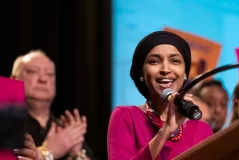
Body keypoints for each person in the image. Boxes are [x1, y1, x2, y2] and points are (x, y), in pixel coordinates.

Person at [107, 31, 213, 160]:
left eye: (175, 61)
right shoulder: (125, 116)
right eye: (154, 61)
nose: (165, 69)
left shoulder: (202, 130)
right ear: (141, 72)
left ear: (185, 73)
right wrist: (165, 131)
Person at [10, 50, 95, 160]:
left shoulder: (66, 130)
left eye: (49, 74)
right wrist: (50, 151)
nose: (43, 79)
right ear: (13, 78)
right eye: (33, 71)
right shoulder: (6, 124)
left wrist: (76, 154)